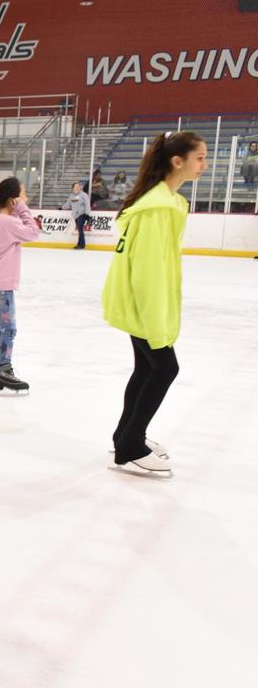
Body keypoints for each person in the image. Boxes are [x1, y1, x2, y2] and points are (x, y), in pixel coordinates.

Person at [103, 131, 206, 475]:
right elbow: (146, 271)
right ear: (177, 162)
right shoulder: (157, 209)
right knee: (165, 368)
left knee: (147, 368)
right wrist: (154, 318)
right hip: (144, 305)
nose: (204, 165)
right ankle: (130, 446)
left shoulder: (165, 202)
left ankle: (126, 435)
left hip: (141, 304)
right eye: (199, 158)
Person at [0, 177, 40, 393]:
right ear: (13, 199)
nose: (26, 198)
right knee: (9, 328)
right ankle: (4, 368)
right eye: (22, 195)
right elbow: (33, 232)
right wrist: (22, 209)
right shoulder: (7, 222)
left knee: (0, 326)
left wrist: (17, 209)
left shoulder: (1, 220)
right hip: (0, 285)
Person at [64, 182, 92, 249]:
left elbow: (87, 205)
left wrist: (87, 214)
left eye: (78, 186)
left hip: (82, 214)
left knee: (80, 229)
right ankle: (81, 244)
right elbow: (68, 204)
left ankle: (81, 244)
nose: (78, 187)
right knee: (80, 229)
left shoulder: (84, 195)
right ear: (73, 188)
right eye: (76, 186)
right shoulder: (71, 196)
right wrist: (62, 207)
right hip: (75, 215)